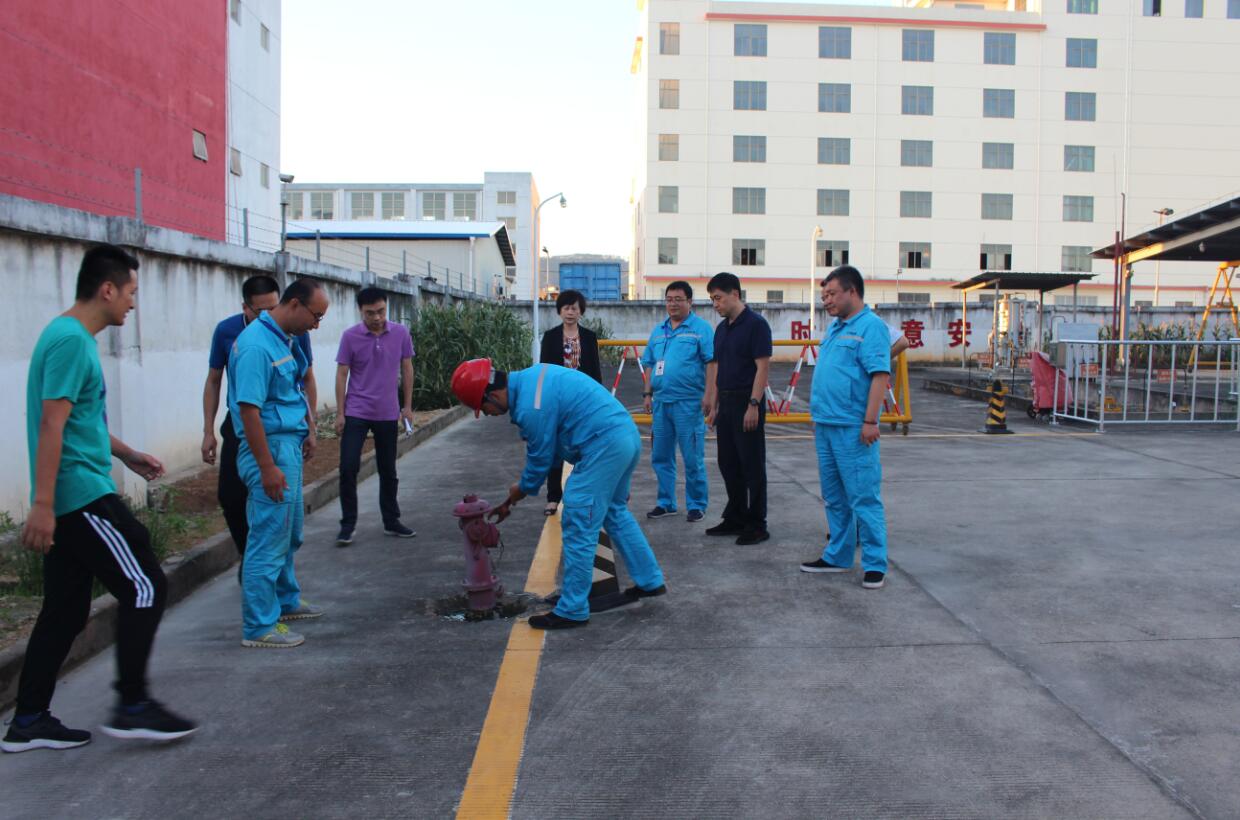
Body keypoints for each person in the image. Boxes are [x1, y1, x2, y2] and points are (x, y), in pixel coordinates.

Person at [4, 244, 196, 753]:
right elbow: (52, 423)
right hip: (81, 495)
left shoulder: (67, 337)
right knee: (147, 582)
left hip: (76, 490)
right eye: (131, 292)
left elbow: (80, 423)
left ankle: (28, 720)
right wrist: (42, 504)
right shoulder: (71, 341)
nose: (133, 304)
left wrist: (127, 452)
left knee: (65, 611)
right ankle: (132, 703)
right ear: (107, 289)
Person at [450, 359, 666, 629]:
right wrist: (514, 498)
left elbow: (540, 458)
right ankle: (650, 581)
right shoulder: (531, 380)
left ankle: (573, 609)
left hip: (603, 444)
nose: (491, 414)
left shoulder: (531, 406)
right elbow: (551, 451)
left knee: (577, 519)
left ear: (493, 395)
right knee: (614, 512)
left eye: (485, 408)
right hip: (624, 437)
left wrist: (520, 489)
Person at [228, 277, 329, 648]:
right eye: (315, 316)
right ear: (294, 305)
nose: (315, 325)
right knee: (269, 537)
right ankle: (259, 626)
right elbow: (250, 411)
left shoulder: (281, 339)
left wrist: (308, 429)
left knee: (290, 532)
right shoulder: (256, 346)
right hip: (269, 450)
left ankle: (285, 601)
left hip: (286, 446)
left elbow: (294, 389)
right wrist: (268, 466)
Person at [201, 275, 317, 569]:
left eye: (272, 307)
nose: (268, 315)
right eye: (259, 311)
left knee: (284, 520)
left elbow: (305, 379)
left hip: (281, 432)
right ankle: (251, 560)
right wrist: (208, 430)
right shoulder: (232, 334)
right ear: (245, 308)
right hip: (242, 423)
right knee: (232, 497)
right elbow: (215, 381)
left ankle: (266, 573)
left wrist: (311, 426)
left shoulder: (293, 329)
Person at [800, 266, 892, 589]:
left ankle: (875, 563)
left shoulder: (871, 327)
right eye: (823, 295)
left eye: (831, 294)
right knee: (834, 497)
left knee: (863, 496)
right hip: (826, 425)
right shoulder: (836, 329)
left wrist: (870, 421)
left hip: (853, 427)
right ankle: (838, 555)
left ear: (852, 291)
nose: (826, 300)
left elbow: (880, 375)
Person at [334, 287, 417, 545]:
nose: (377, 317)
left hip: (386, 411)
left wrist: (407, 406)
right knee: (348, 468)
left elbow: (407, 368)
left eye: (381, 311)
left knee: (388, 470)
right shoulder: (350, 337)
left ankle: (391, 521)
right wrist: (340, 413)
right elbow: (342, 374)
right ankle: (347, 525)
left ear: (386, 307)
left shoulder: (401, 333)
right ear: (361, 311)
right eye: (370, 313)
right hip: (356, 410)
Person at [704, 273, 772, 545]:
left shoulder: (756, 325)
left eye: (718, 298)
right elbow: (719, 367)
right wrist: (715, 404)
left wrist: (754, 405)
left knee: (751, 464)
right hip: (727, 402)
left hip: (747, 399)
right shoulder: (722, 329)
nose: (715, 304)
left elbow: (762, 367)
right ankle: (735, 516)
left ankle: (757, 523)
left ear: (735, 294)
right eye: (712, 299)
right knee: (728, 462)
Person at [641, 281, 715, 523]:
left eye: (678, 299)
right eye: (669, 299)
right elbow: (650, 364)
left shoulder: (700, 329)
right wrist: (647, 394)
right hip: (661, 403)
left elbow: (711, 363)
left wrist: (709, 395)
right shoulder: (658, 331)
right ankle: (666, 502)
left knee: (692, 457)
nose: (672, 303)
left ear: (690, 302)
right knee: (661, 457)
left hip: (689, 403)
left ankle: (696, 504)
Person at [538, 289, 601, 516]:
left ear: (581, 311)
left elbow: (595, 371)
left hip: (583, 402)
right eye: (566, 308)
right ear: (559, 311)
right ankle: (553, 497)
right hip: (557, 402)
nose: (570, 312)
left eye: (574, 308)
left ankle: (582, 496)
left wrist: (597, 400)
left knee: (584, 449)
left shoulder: (589, 337)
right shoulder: (551, 336)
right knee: (555, 450)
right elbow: (544, 370)